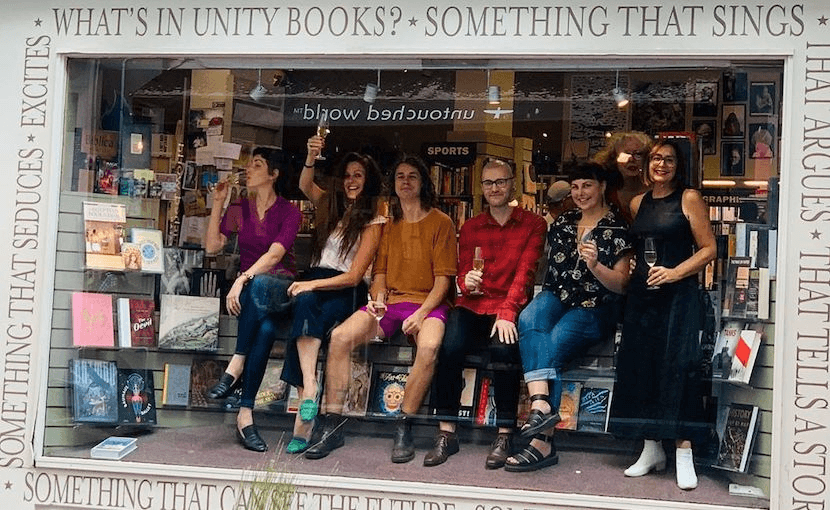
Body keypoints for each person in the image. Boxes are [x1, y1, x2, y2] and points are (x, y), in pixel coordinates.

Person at [305, 155, 457, 463]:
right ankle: (333, 424)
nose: (405, 181)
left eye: (412, 176)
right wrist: (376, 299)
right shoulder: (388, 223)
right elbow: (380, 275)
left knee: (428, 348)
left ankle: (404, 424)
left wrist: (420, 313)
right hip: (391, 305)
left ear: (424, 183)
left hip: (430, 305)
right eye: (400, 176)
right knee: (341, 337)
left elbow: (443, 283)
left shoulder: (441, 221)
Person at [504, 161, 632, 472]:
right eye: (574, 187)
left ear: (601, 187)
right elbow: (552, 274)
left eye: (586, 185)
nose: (579, 193)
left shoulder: (618, 228)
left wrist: (595, 267)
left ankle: (542, 441)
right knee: (529, 317)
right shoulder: (563, 223)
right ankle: (540, 406)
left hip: (594, 305)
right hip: (557, 296)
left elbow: (622, 284)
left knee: (554, 344)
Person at [608, 139, 717, 490]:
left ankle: (683, 452)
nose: (662, 165)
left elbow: (709, 249)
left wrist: (674, 272)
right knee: (642, 368)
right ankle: (651, 449)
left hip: (678, 297)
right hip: (643, 297)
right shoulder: (638, 202)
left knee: (678, 370)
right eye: (656, 158)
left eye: (669, 160)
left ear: (678, 166)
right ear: (646, 164)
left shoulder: (689, 198)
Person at [423, 159, 546, 469]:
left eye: (501, 182)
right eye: (489, 183)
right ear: (481, 188)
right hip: (474, 305)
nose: (495, 188)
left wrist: (507, 313)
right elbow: (463, 275)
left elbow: (525, 274)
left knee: (504, 350)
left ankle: (505, 433)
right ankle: (447, 432)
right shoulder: (471, 226)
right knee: (448, 347)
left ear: (513, 185)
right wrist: (467, 282)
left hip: (508, 305)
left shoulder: (533, 224)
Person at [279, 136, 385, 454]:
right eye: (348, 175)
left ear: (368, 181)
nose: (352, 181)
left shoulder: (374, 218)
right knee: (303, 305)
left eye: (359, 175)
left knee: (304, 305)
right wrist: (311, 155)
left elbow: (354, 275)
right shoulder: (330, 204)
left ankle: (303, 421)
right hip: (316, 282)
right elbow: (304, 183)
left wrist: (311, 284)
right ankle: (310, 386)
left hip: (345, 288)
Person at [204, 147, 302, 452]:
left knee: (259, 283)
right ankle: (245, 415)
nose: (249, 169)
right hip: (253, 294)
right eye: (248, 165)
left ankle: (235, 366)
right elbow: (212, 247)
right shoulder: (239, 207)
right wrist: (218, 204)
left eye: (257, 165)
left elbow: (275, 255)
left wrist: (242, 279)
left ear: (273, 174)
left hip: (280, 286)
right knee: (266, 330)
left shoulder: (290, 211)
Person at [593, 131, 652, 223]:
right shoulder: (604, 190)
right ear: (613, 158)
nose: (631, 159)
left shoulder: (657, 190)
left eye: (638, 154)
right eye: (625, 154)